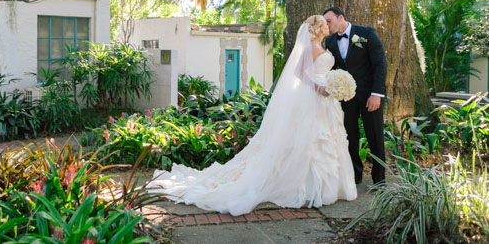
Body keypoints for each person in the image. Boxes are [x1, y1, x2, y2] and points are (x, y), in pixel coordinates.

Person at [149, 16, 357, 216]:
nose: (327, 26)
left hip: (325, 100)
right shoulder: (311, 47)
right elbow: (299, 73)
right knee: (311, 139)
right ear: (318, 28)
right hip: (313, 96)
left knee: (326, 138)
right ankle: (307, 187)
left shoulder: (322, 47)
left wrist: (332, 83)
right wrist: (319, 87)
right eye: (324, 24)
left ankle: (326, 187)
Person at [322, 6, 387, 185]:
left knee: (375, 136)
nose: (326, 25)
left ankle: (379, 180)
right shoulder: (329, 42)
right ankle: (355, 176)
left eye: (329, 21)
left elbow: (380, 65)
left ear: (341, 18)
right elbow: (333, 69)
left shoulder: (367, 34)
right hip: (345, 97)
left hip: (369, 96)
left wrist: (376, 94)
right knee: (349, 137)